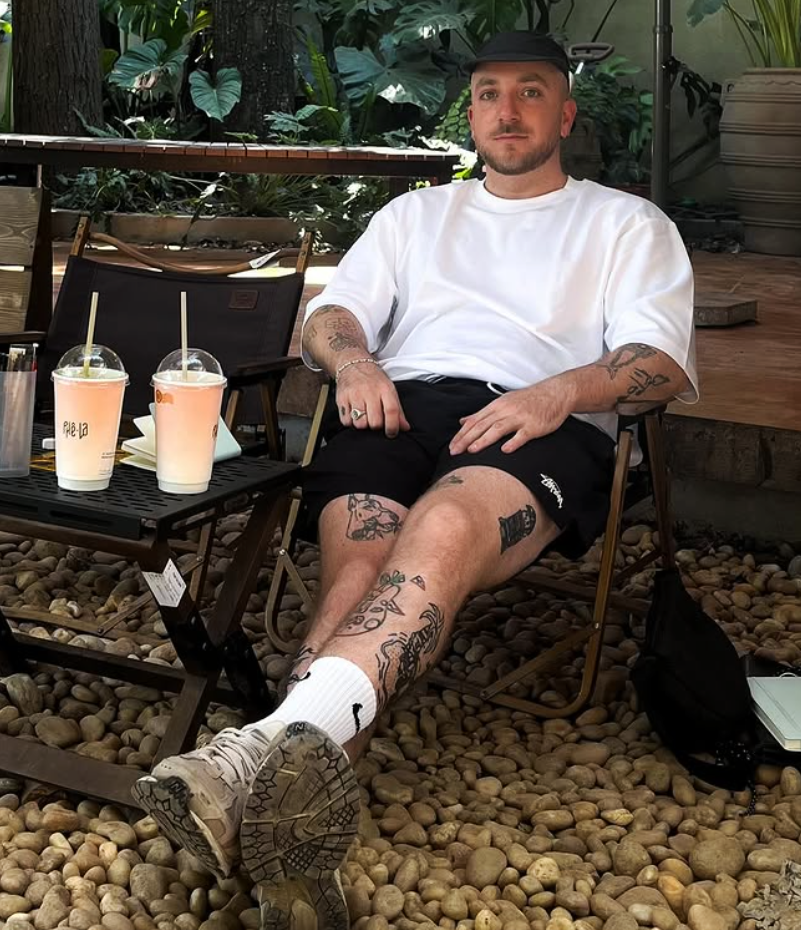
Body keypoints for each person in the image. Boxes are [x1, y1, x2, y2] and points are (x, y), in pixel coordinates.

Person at [133, 29, 698, 930]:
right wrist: (356, 365)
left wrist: (558, 391)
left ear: (566, 113)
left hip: (538, 415)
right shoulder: (415, 218)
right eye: (488, 94)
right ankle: (292, 829)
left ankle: (251, 754)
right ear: (469, 113)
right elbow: (332, 317)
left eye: (530, 91)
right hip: (403, 402)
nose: (507, 111)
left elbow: (657, 363)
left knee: (442, 529)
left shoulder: (626, 225)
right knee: (357, 567)